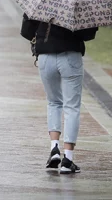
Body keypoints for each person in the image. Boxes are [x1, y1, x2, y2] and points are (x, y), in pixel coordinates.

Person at [20, 13, 97, 174]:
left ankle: (54, 148)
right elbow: (88, 34)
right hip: (70, 55)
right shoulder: (81, 1)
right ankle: (67, 160)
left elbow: (26, 30)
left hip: (45, 56)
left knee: (53, 102)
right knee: (72, 107)